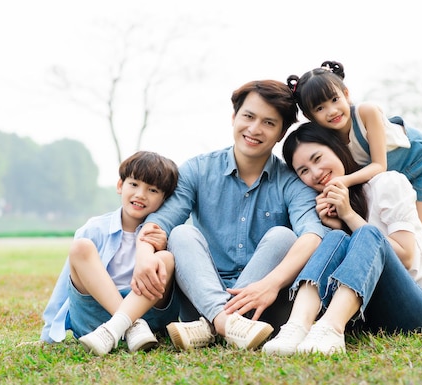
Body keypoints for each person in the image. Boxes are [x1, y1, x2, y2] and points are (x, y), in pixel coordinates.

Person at [132, 80, 329, 351]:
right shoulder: (197, 170)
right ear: (234, 117)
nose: (254, 129)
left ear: (281, 133)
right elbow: (160, 223)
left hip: (262, 306)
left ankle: (210, 327)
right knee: (182, 233)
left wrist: (270, 285)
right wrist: (143, 254)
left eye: (269, 123)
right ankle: (225, 322)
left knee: (283, 236)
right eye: (248, 116)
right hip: (200, 298)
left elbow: (313, 234)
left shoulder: (291, 181)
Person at [262, 122, 422, 356]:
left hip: (414, 313)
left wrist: (349, 216)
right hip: (363, 319)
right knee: (335, 237)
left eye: (317, 158)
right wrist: (338, 224)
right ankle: (297, 327)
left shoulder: (387, 183)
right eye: (303, 171)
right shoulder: (329, 206)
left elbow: (406, 257)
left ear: (337, 148)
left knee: (367, 233)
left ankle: (331, 328)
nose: (315, 173)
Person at [287, 60, 422, 285]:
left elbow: (379, 166)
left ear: (346, 94)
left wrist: (341, 182)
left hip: (421, 161)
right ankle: (409, 288)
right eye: (320, 108)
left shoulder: (366, 112)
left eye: (335, 99)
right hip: (389, 175)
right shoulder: (328, 138)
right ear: (309, 116)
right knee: (396, 228)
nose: (332, 111)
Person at [40, 151, 180, 356]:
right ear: (120, 186)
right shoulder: (95, 228)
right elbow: (64, 285)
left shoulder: (163, 234)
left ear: (164, 199)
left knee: (166, 258)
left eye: (152, 190)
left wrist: (164, 246)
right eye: (134, 185)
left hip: (148, 317)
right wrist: (48, 335)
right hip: (95, 317)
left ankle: (127, 323)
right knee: (81, 247)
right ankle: (129, 325)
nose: (140, 194)